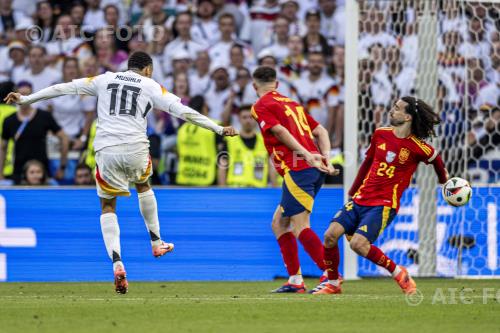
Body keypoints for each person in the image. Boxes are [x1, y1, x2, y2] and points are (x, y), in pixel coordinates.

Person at [4, 51, 238, 294]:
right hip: (136, 147)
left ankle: (117, 262)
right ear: (148, 69)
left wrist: (26, 99)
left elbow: (64, 88)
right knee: (144, 185)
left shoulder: (104, 79)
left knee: (107, 206)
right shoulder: (151, 85)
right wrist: (218, 128)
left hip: (106, 149)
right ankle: (157, 242)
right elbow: (184, 112)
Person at [312, 97, 449, 295]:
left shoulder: (417, 147)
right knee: (330, 236)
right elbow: (367, 163)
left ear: (408, 117)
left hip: (384, 204)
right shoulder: (380, 134)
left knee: (358, 245)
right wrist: (352, 192)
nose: (392, 111)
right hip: (360, 198)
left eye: (397, 109)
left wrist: (444, 182)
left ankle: (397, 272)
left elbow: (436, 159)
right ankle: (333, 284)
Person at [251, 66, 338, 293]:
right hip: (310, 169)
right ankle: (295, 280)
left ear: (254, 86)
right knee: (279, 223)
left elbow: (279, 132)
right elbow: (322, 132)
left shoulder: (261, 105)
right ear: (277, 84)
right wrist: (325, 158)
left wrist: (307, 155)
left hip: (299, 169)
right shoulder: (293, 104)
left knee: (300, 226)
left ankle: (332, 276)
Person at [0, 81, 69, 184]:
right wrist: (0, 173)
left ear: (33, 95)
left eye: (27, 94)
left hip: (42, 173)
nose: (23, 98)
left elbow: (64, 138)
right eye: (21, 94)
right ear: (15, 95)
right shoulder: (9, 120)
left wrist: (62, 167)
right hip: (19, 173)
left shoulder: (44, 116)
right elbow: (3, 148)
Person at [218, 105, 275, 188]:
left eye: (251, 117)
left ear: (256, 119)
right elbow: (222, 168)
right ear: (239, 119)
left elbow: (271, 168)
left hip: (259, 190)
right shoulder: (229, 141)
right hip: (235, 189)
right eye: (244, 117)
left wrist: (274, 190)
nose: (248, 120)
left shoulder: (265, 141)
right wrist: (222, 192)